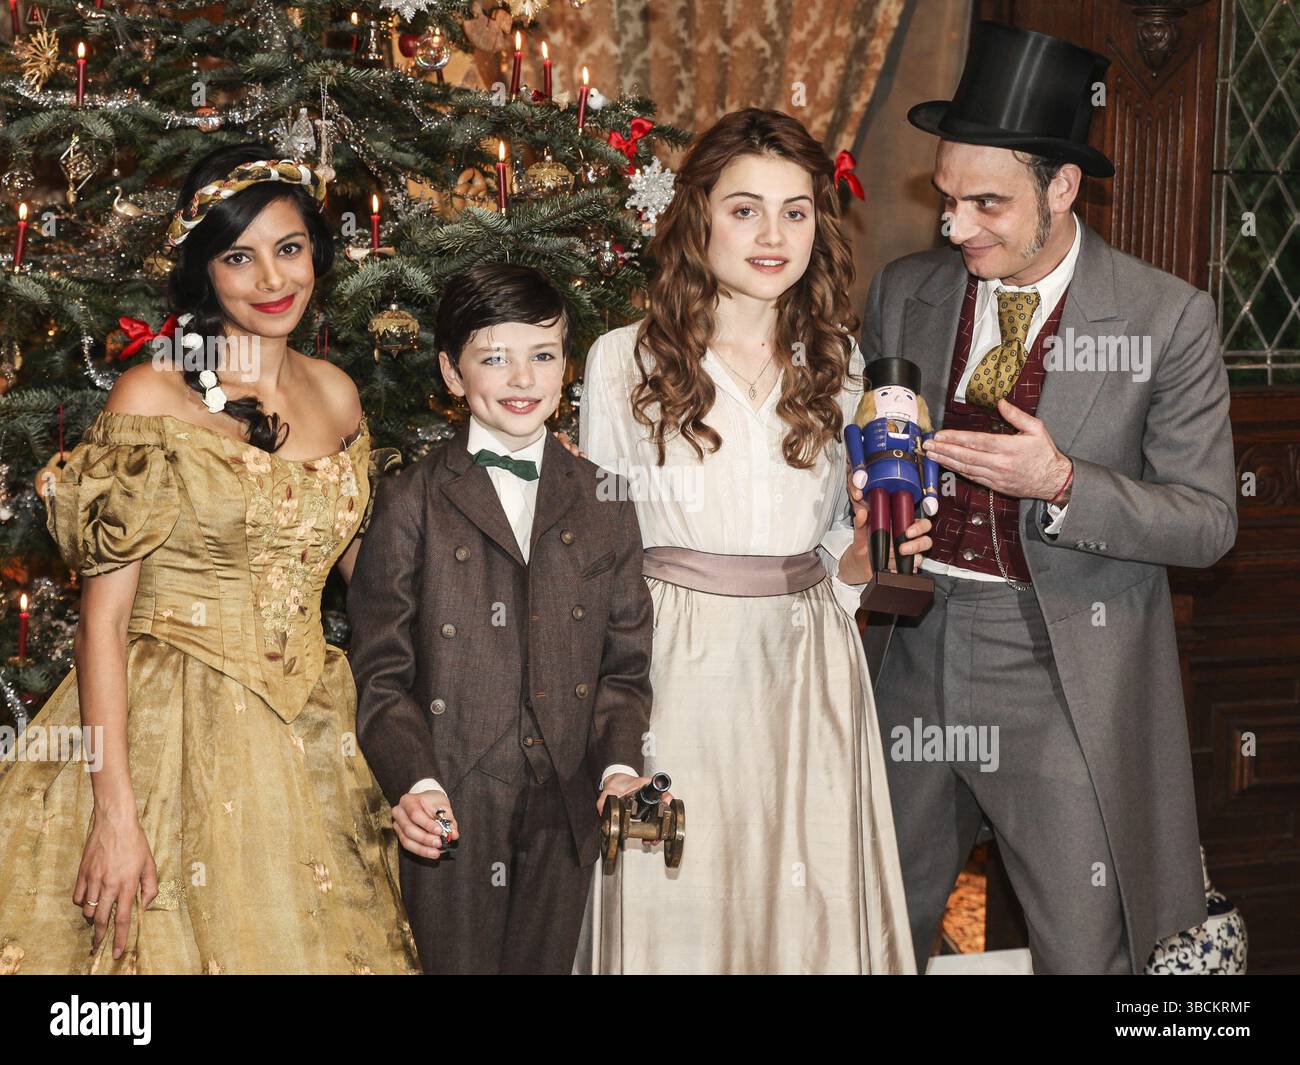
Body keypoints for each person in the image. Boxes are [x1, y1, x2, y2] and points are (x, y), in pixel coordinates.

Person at [865, 22, 1237, 973]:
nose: (957, 228)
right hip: (906, 650)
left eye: (988, 203)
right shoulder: (904, 291)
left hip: (1060, 661)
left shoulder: (1167, 318)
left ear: (1062, 188)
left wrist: (1064, 482)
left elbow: (1206, 522)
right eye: (948, 199)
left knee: (1086, 945)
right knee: (872, 924)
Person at [0, 144, 419, 974]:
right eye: (240, 256)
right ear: (204, 271)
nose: (272, 280)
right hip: (169, 731)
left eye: (289, 248)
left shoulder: (336, 394)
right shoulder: (154, 394)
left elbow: (377, 594)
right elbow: (103, 622)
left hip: (312, 730)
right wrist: (113, 810)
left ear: (317, 255)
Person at [578, 108, 930, 974]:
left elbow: (846, 548)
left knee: (804, 906)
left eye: (797, 210)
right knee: (684, 901)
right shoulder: (621, 361)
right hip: (675, 669)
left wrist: (868, 558)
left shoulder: (844, 366)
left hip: (808, 666)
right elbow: (597, 552)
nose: (774, 234)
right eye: (745, 209)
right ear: (697, 216)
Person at [347, 263, 656, 975]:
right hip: (453, 796)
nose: (522, 378)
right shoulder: (410, 499)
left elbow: (624, 664)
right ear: (452, 375)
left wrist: (616, 764)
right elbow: (382, 672)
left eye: (542, 355)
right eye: (494, 357)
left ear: (565, 367)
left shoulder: (606, 498)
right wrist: (414, 782)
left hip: (567, 794)